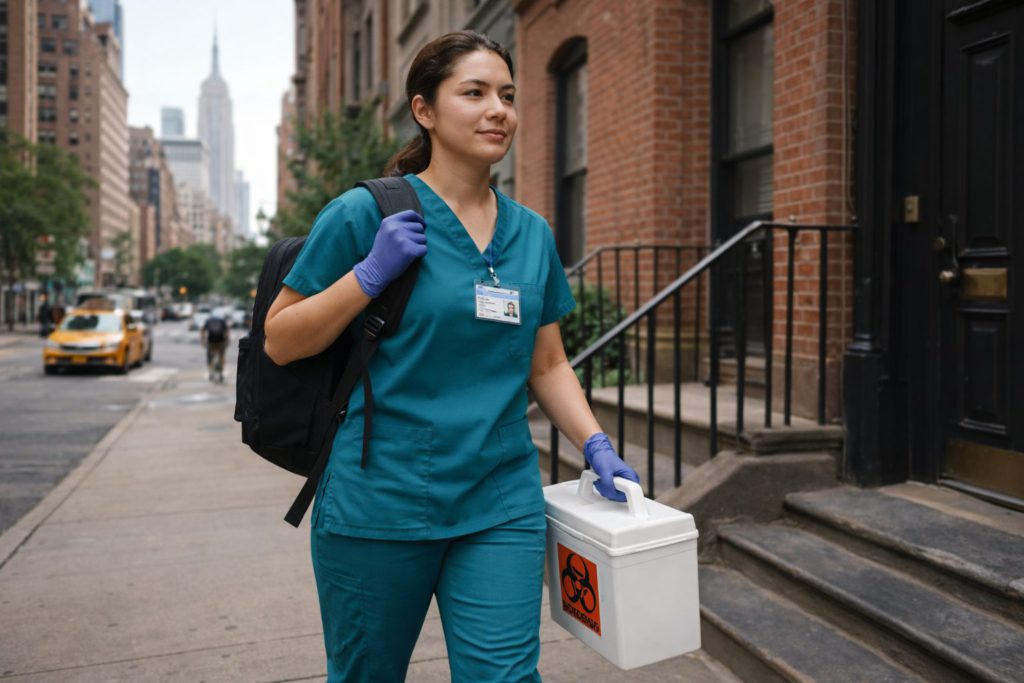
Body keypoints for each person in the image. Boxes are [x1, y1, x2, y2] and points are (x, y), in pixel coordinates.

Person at [263, 30, 639, 683]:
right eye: (475, 93)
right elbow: (282, 336)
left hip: (499, 502)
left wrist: (596, 443)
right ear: (425, 110)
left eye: (508, 95)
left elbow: (546, 363)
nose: (499, 109)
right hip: (380, 502)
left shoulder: (532, 234)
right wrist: (369, 274)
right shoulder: (364, 213)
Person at [201, 312, 229, 382]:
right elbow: (226, 331)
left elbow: (203, 331)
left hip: (211, 340)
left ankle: (211, 373)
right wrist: (227, 340)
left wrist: (203, 340)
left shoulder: (208, 321)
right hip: (221, 340)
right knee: (222, 356)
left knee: (210, 356)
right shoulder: (222, 321)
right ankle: (221, 374)